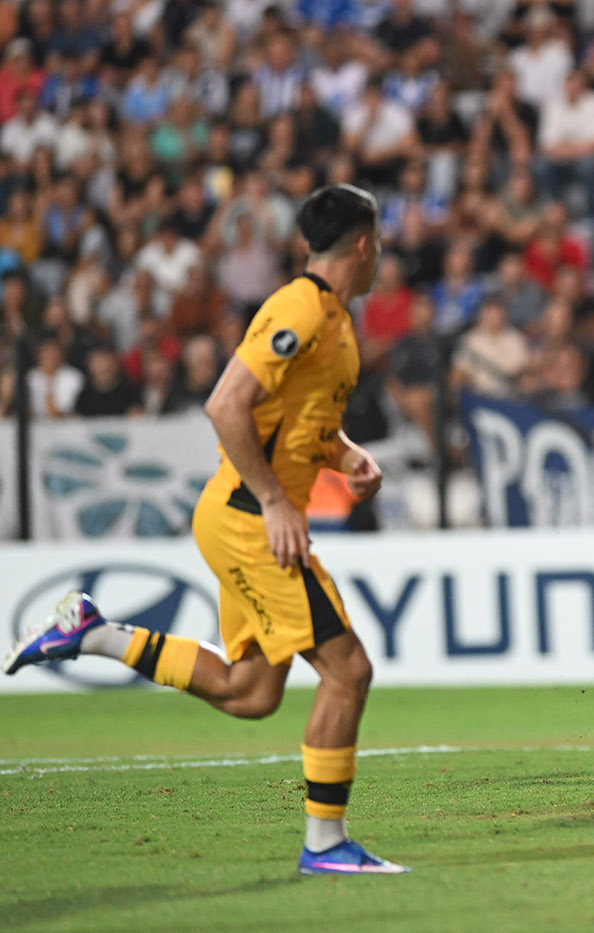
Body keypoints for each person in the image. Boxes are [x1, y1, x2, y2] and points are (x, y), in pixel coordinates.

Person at [4, 185, 410, 875]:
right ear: (365, 243)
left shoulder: (335, 319)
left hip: (245, 516)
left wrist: (346, 455)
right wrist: (277, 501)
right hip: (253, 518)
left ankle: (95, 632)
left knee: (251, 691)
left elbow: (301, 419)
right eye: (381, 240)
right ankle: (325, 844)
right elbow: (226, 404)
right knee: (349, 670)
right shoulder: (300, 307)